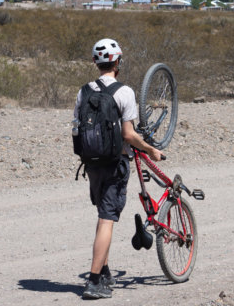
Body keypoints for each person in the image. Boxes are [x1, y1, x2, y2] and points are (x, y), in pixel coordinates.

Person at [75, 38, 164, 299]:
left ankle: (103, 272)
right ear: (118, 62)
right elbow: (128, 134)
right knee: (107, 218)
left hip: (91, 163)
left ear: (96, 62)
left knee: (104, 215)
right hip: (115, 163)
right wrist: (150, 149)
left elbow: (77, 128)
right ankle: (93, 282)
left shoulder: (83, 92)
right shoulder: (124, 92)